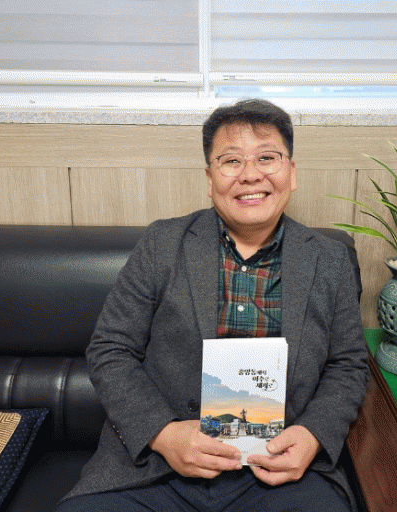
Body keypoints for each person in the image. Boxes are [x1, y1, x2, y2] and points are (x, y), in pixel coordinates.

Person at [56, 99, 369, 512]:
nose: (251, 174)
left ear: (291, 173)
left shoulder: (330, 260)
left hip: (279, 472)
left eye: (267, 158)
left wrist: (312, 435)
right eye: (231, 161)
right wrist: (165, 435)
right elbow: (110, 349)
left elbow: (348, 364)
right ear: (209, 178)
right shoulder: (162, 243)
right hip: (157, 468)